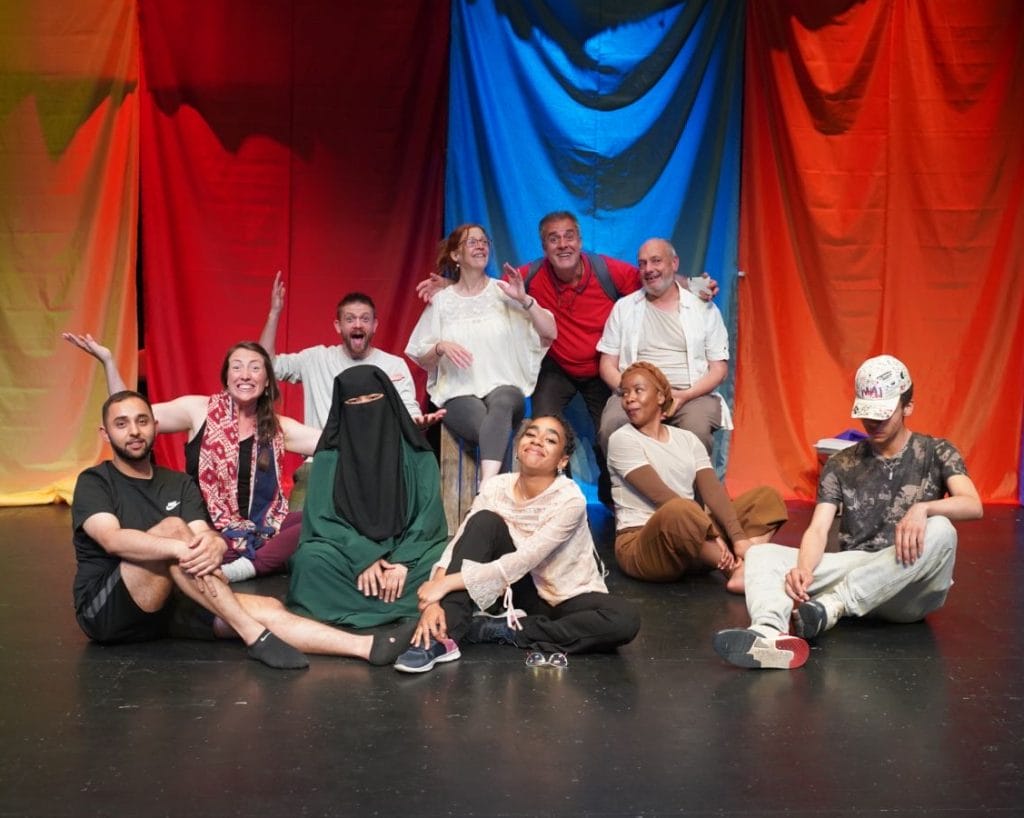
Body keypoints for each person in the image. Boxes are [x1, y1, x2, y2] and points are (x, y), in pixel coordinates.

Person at [71, 390, 422, 670]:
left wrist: (214, 546)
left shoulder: (178, 483)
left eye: (142, 421)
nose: (134, 431)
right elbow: (112, 539)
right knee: (174, 531)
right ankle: (254, 636)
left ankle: (368, 647)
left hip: (170, 607)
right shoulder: (94, 482)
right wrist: (184, 548)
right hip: (109, 611)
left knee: (268, 605)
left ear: (154, 424)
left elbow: (203, 535)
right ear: (106, 433)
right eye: (121, 424)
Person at [417, 211, 717, 500]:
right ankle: (560, 494)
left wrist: (698, 284)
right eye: (553, 239)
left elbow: (654, 276)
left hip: (601, 367)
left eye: (569, 236)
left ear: (580, 240)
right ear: (544, 246)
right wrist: (450, 286)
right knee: (547, 423)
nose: (563, 244)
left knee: (611, 431)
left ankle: (611, 496)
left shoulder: (607, 271)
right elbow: (489, 288)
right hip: (557, 367)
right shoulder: (532, 275)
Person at [713, 355, 983, 670]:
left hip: (909, 587)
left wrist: (923, 508)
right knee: (762, 556)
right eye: (868, 415)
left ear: (908, 407)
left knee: (942, 530)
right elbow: (818, 528)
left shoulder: (937, 451)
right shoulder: (841, 463)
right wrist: (803, 568)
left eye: (883, 415)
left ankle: (834, 604)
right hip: (858, 568)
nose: (873, 424)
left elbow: (972, 503)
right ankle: (768, 634)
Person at [392, 414, 641, 673]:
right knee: (483, 521)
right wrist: (434, 600)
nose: (537, 441)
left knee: (623, 620)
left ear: (562, 460)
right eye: (531, 434)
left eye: (550, 440)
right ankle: (442, 636)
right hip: (518, 593)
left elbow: (524, 560)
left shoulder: (570, 499)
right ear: (519, 447)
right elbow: (459, 545)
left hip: (568, 593)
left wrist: (445, 583)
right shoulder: (496, 486)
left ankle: (505, 630)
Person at [63, 334, 321, 582]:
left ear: (267, 381)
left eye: (255, 368)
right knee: (212, 544)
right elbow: (130, 413)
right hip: (204, 526)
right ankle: (257, 560)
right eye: (237, 367)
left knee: (316, 518)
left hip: (261, 526)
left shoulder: (278, 427)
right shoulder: (197, 410)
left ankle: (246, 567)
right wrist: (108, 362)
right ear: (227, 378)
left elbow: (332, 441)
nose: (245, 375)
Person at [286, 365, 448, 627]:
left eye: (373, 400)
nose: (364, 409)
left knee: (446, 559)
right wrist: (364, 556)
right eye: (353, 402)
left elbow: (428, 517)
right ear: (341, 408)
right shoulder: (329, 457)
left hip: (406, 552)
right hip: (348, 553)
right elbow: (322, 517)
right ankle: (406, 604)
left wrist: (403, 562)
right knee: (310, 561)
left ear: (389, 401)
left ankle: (348, 603)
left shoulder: (418, 455)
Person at [259, 278, 443, 507]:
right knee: (297, 527)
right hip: (321, 464)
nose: (358, 325)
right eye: (350, 319)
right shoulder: (315, 359)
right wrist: (274, 313)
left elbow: (409, 410)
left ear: (375, 325)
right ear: (338, 326)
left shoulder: (393, 366)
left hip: (375, 469)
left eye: (364, 319)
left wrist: (417, 422)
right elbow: (265, 365)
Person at [607, 362, 787, 593]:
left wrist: (738, 538)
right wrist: (712, 534)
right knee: (678, 509)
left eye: (638, 390)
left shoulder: (687, 439)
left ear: (661, 396)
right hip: (645, 545)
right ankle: (734, 570)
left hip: (694, 540)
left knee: (766, 498)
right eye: (624, 393)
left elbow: (712, 491)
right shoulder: (622, 439)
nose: (629, 398)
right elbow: (663, 498)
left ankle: (749, 558)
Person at [405, 224, 557, 487]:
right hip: (458, 393)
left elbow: (550, 332)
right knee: (491, 430)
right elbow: (423, 358)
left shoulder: (502, 291)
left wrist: (524, 300)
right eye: (472, 242)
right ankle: (497, 497)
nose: (480, 246)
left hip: (504, 389)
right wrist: (440, 346)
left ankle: (486, 489)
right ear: (455, 255)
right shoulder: (443, 301)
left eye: (484, 241)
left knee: (503, 401)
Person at [597, 237, 731, 455]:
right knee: (612, 429)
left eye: (656, 261)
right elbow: (607, 365)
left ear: (674, 263)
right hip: (634, 394)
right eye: (642, 264)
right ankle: (628, 489)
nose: (649, 269)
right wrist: (632, 392)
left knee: (695, 433)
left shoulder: (703, 308)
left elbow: (719, 369)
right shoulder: (624, 308)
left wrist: (684, 396)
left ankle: (692, 490)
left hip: (691, 395)